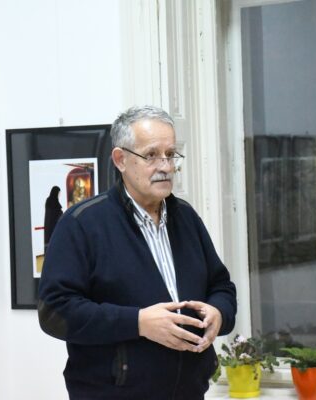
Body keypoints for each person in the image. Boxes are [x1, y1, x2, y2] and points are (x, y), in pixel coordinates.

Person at [38, 105, 237, 399]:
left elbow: (221, 286)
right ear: (121, 159)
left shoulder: (186, 217)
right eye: (151, 155)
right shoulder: (83, 224)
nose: (166, 166)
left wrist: (218, 312)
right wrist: (138, 323)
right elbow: (55, 312)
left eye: (171, 154)